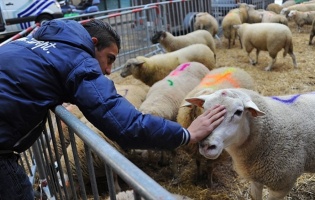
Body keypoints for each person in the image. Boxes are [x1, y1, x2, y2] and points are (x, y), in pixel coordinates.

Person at [0, 19, 226, 199]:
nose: (109, 71)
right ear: (93, 43)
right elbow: (127, 125)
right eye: (109, 59)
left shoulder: (25, 44)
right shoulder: (79, 60)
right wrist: (187, 133)